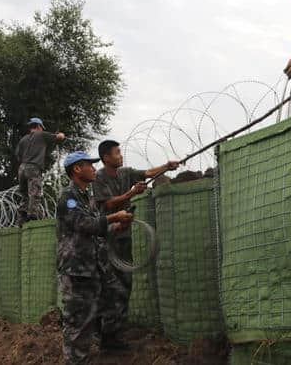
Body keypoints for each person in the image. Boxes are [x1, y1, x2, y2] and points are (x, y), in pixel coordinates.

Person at [57, 151, 134, 364]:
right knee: (78, 323)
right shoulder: (69, 198)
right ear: (76, 170)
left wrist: (117, 226)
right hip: (77, 271)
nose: (93, 168)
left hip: (95, 266)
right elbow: (84, 224)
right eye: (88, 165)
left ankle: (108, 341)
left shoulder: (86, 196)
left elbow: (97, 229)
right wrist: (114, 216)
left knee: (112, 300)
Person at [93, 140, 179, 327]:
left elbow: (147, 173)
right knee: (109, 285)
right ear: (106, 158)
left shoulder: (125, 172)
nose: (120, 155)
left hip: (124, 236)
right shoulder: (98, 178)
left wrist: (166, 166)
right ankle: (102, 329)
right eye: (116, 153)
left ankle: (118, 328)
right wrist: (131, 194)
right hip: (108, 238)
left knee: (125, 282)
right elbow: (107, 204)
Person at [14, 117, 65, 226]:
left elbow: (18, 155)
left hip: (22, 168)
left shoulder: (23, 139)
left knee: (24, 195)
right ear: (38, 126)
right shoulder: (42, 135)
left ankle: (21, 220)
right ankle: (32, 218)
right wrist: (61, 134)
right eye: (42, 127)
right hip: (33, 167)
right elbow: (59, 138)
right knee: (34, 193)